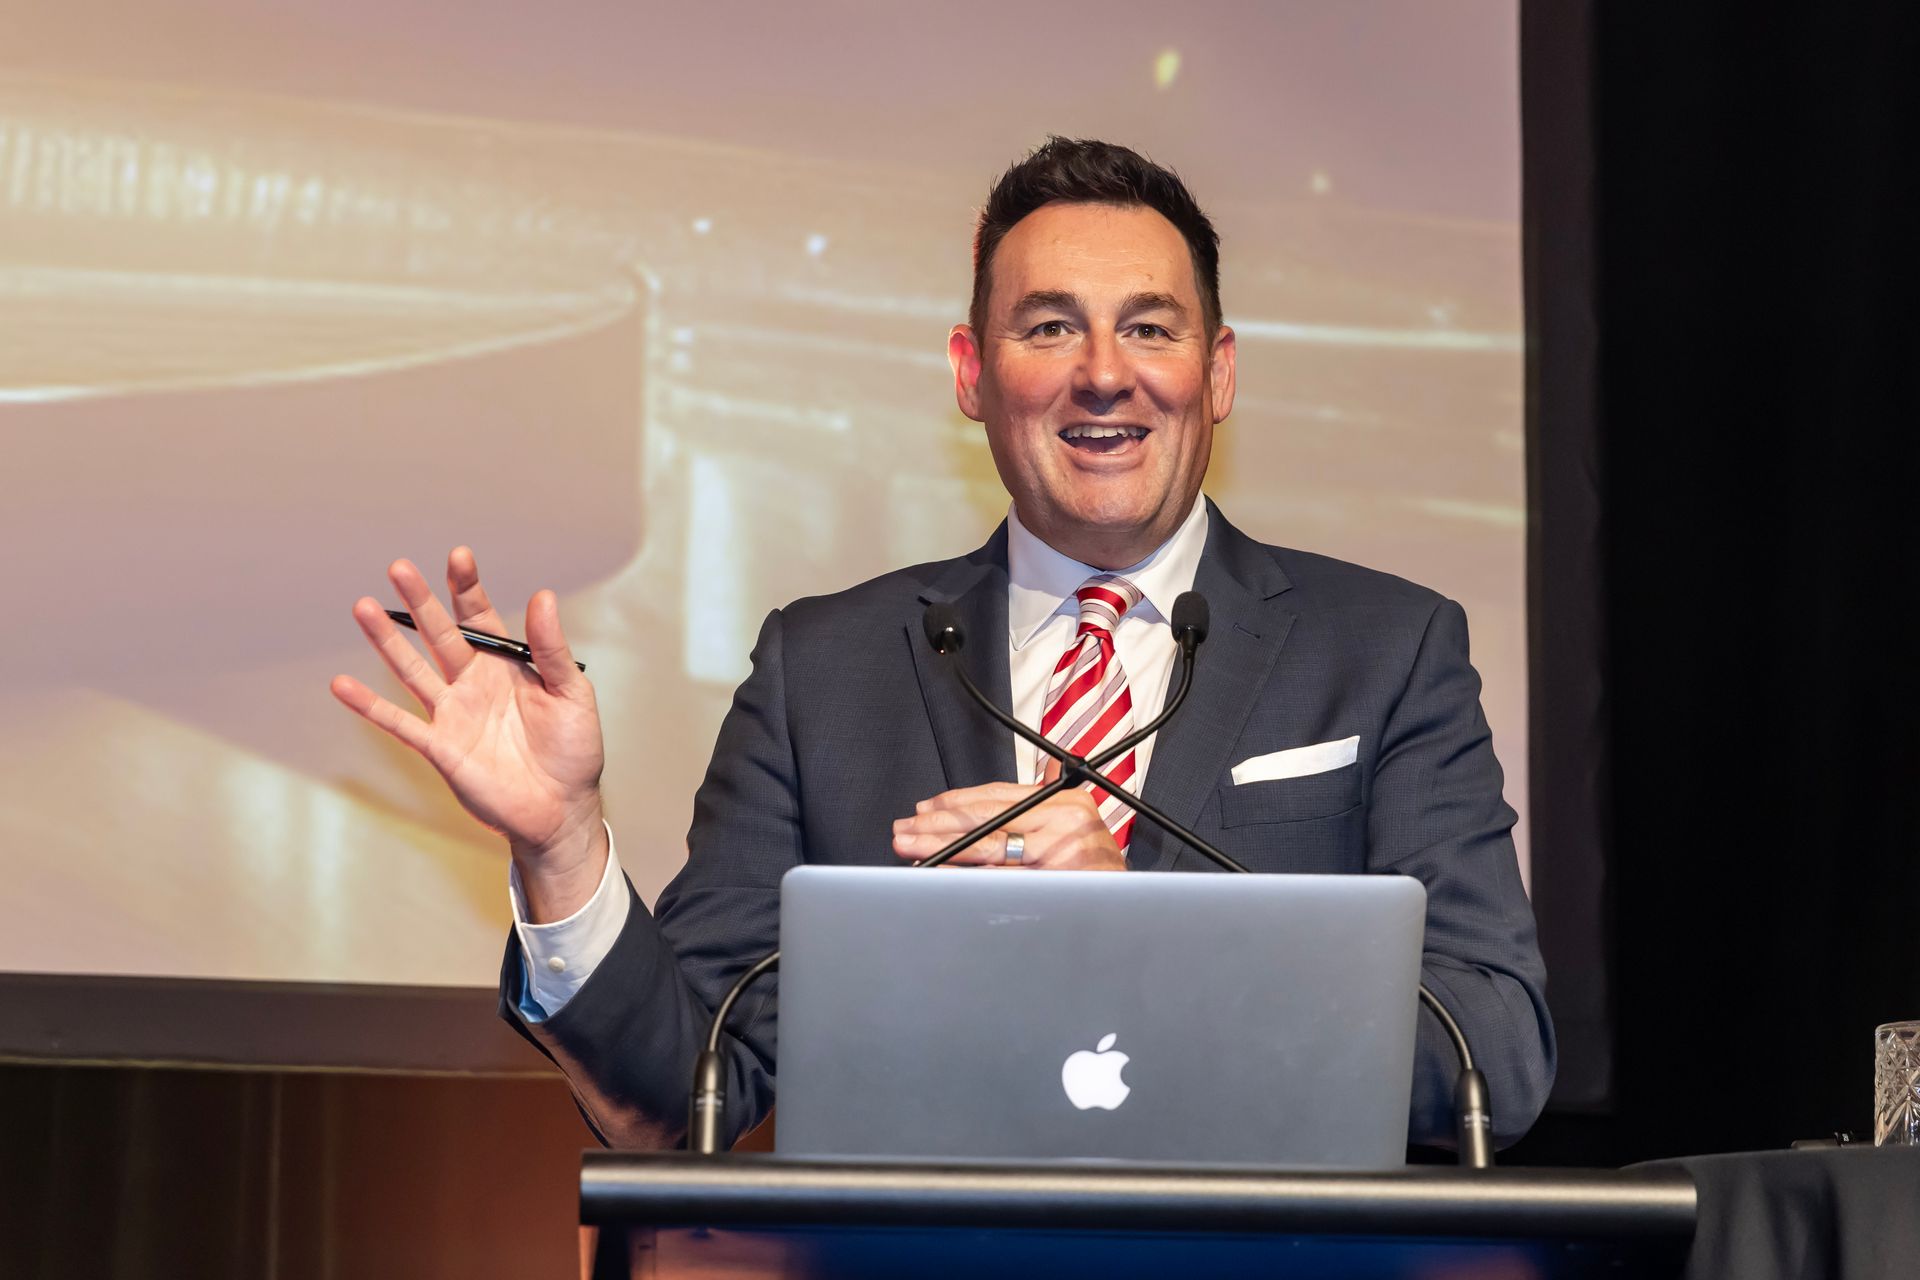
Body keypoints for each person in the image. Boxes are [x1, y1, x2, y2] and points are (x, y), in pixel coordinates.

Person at [333, 138, 1555, 1151]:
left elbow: (1491, 1053)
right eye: (1049, 328)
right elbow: (682, 1095)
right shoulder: (825, 670)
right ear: (972, 373)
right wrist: (562, 845)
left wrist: (1141, 925)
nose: (1103, 376)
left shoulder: (1386, 650)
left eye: (1149, 328)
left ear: (1217, 370)